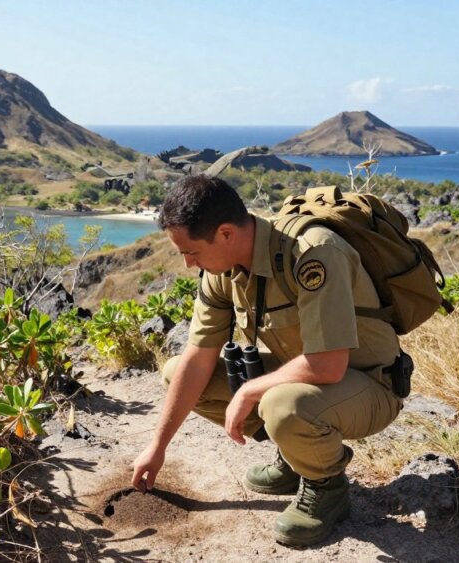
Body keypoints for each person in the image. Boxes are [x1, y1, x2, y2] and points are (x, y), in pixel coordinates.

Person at [130, 174, 403, 547]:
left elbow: (328, 366)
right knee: (177, 372)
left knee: (281, 403)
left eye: (191, 252)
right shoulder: (221, 270)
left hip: (368, 384)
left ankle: (326, 486)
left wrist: (250, 391)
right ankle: (296, 458)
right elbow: (197, 359)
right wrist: (157, 447)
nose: (189, 265)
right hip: (304, 381)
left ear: (226, 233)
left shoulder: (312, 252)